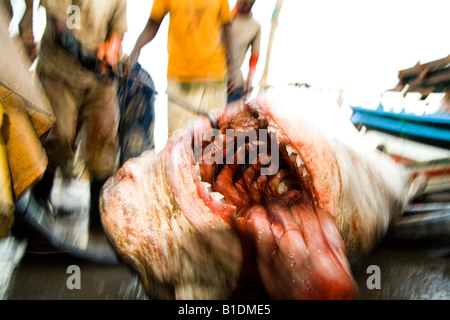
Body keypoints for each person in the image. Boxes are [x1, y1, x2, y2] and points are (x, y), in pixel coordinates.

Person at [19, 0, 127, 241]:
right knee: (57, 135)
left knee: (104, 142)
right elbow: (59, 26)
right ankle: (36, 210)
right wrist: (85, 55)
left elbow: (117, 32)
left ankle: (99, 223)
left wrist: (110, 56)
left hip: (98, 81)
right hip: (60, 71)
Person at [126, 0, 238, 136]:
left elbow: (228, 28)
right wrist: (133, 53)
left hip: (212, 78)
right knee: (178, 143)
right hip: (179, 80)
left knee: (212, 145)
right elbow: (152, 24)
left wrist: (233, 69)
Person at [228, 0, 261, 103]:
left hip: (235, 86)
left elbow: (254, 56)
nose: (242, 5)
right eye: (240, 1)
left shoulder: (255, 26)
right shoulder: (225, 18)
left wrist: (249, 81)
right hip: (213, 78)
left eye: (246, 3)